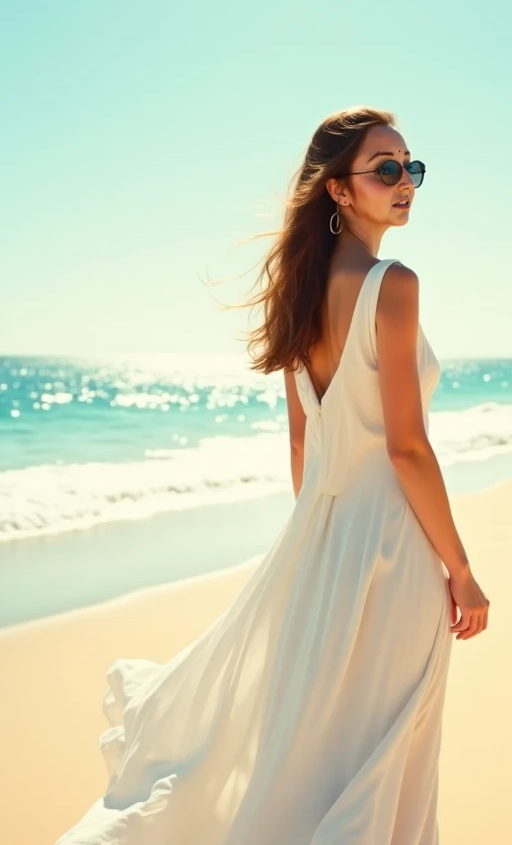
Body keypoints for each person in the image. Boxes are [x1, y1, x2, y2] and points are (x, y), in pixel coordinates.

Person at [55, 105, 489, 845]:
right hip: (393, 547)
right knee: (384, 751)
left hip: (322, 538)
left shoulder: (297, 294)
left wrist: (316, 550)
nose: (405, 182)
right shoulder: (393, 283)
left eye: (411, 167)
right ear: (340, 191)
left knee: (322, 748)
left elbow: (302, 449)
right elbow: (406, 449)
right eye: (385, 169)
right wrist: (462, 568)